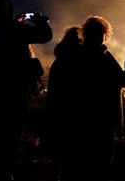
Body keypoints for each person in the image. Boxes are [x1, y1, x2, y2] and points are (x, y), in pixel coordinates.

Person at [48, 17, 125, 181]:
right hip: (102, 121)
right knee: (98, 166)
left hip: (78, 120)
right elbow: (121, 80)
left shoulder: (73, 56)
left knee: (78, 166)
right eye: (99, 33)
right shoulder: (102, 57)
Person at [0, 0, 52, 180]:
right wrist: (40, 21)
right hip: (13, 93)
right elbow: (44, 36)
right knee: (10, 136)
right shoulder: (15, 30)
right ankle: (5, 172)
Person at [45, 26, 82, 180]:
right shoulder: (80, 62)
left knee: (59, 154)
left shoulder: (58, 61)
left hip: (57, 112)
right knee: (74, 156)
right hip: (74, 114)